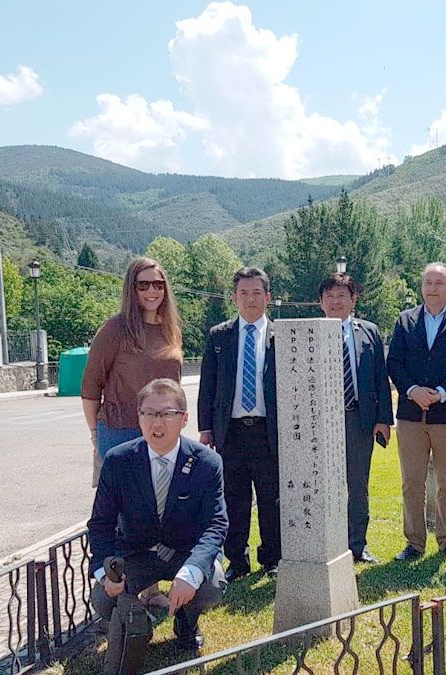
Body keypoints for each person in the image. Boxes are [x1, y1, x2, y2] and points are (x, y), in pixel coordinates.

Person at [88, 378, 227, 666]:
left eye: (166, 413)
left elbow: (215, 523)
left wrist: (191, 571)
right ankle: (139, 620)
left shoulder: (207, 462)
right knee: (102, 599)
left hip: (184, 553)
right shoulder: (118, 461)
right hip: (137, 553)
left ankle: (186, 624)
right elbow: (101, 523)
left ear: (184, 419)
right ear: (138, 419)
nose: (157, 422)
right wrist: (105, 571)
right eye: (148, 413)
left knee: (209, 586)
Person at [386, 262, 446, 560]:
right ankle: (414, 543)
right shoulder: (405, 320)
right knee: (412, 481)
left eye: (439, 283)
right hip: (411, 416)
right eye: (428, 282)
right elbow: (394, 363)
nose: (432, 288)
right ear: (421, 286)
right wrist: (412, 390)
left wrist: (440, 393)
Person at [197, 267, 280, 581]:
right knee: (234, 499)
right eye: (243, 293)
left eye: (257, 292)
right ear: (234, 298)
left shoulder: (280, 335)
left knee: (271, 498)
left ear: (267, 297)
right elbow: (208, 386)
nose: (250, 299)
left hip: (267, 431)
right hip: (230, 433)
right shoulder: (220, 336)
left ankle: (272, 557)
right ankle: (238, 560)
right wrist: (206, 428)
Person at [82, 257, 184, 487]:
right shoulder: (115, 329)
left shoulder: (171, 330)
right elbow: (90, 386)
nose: (152, 291)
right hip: (121, 432)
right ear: (131, 288)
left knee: (162, 511)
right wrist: (95, 434)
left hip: (164, 431)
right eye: (143, 285)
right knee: (125, 514)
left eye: (158, 285)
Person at [318, 273, 393, 564]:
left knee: (357, 485)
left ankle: (357, 544)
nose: (335, 302)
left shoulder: (369, 332)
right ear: (321, 302)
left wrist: (383, 419)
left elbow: (380, 378)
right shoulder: (310, 332)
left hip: (358, 420)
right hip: (322, 423)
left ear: (354, 300)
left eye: (342, 296)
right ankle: (327, 543)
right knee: (324, 484)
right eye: (330, 297)